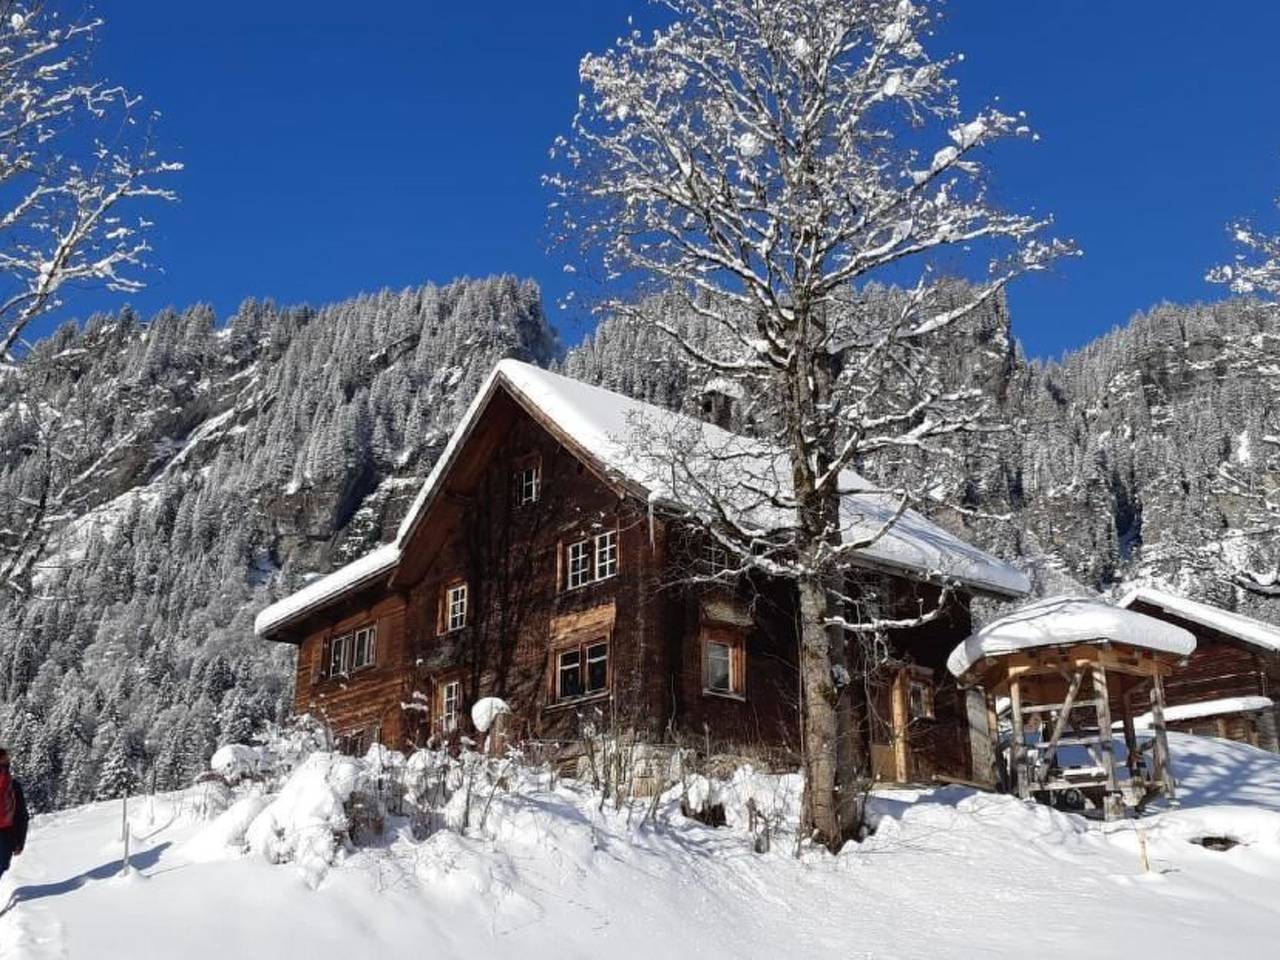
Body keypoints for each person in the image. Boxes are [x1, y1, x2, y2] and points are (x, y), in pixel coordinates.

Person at [0, 749, 28, 881]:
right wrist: (20, 842)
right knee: (2, 866)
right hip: (6, 833)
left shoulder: (12, 785)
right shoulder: (14, 785)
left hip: (6, 833)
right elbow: (22, 815)